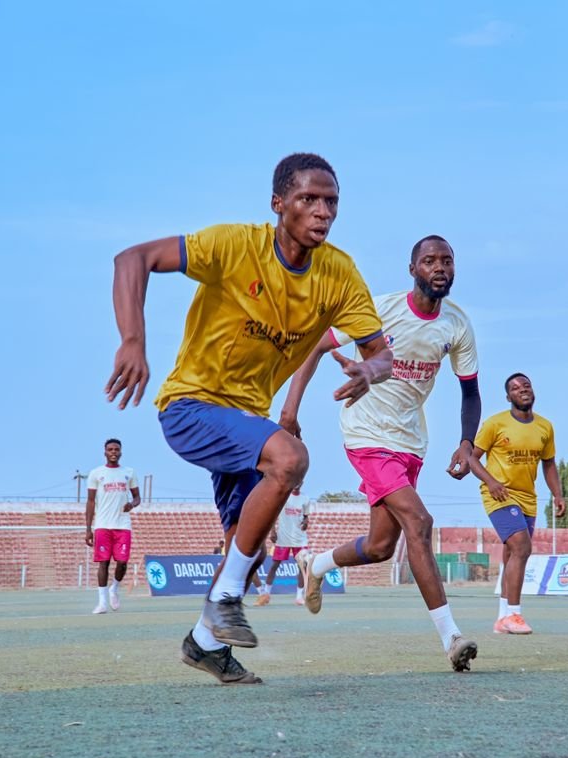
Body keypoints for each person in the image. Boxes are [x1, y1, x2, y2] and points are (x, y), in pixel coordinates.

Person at [105, 152, 393, 684]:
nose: (322, 212)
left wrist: (371, 371)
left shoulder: (339, 274)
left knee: (248, 538)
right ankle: (227, 598)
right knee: (290, 456)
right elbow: (132, 259)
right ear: (279, 204)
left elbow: (381, 350)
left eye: (331, 202)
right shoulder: (234, 245)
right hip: (190, 405)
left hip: (245, 418)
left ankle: (206, 643)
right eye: (308, 199)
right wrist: (132, 341)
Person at [282, 235, 481, 672]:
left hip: (410, 441)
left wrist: (467, 443)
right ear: (413, 269)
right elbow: (315, 345)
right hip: (366, 434)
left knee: (379, 547)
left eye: (447, 261)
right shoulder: (376, 310)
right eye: (429, 261)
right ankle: (452, 638)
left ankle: (314, 565)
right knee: (420, 522)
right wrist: (290, 411)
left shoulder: (457, 325)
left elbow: (470, 392)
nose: (439, 268)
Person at [467, 372, 565, 634]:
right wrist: (491, 482)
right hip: (498, 495)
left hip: (527, 498)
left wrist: (558, 494)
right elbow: (472, 458)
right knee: (522, 547)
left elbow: (549, 463)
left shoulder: (545, 427)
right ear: (508, 396)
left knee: (512, 554)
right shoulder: (495, 424)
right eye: (515, 387)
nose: (522, 389)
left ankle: (501, 619)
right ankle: (514, 614)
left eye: (526, 385)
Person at [85, 438, 141, 614]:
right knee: (103, 563)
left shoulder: (129, 472)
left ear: (121, 452)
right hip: (102, 525)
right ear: (105, 452)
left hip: (122, 525)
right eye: (110, 449)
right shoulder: (96, 473)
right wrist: (88, 529)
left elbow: (138, 497)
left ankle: (114, 589)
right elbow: (91, 501)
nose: (113, 452)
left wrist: (131, 505)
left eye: (116, 449)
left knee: (122, 562)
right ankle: (102, 603)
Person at [256, 484, 310, 607]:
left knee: (303, 566)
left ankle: (299, 596)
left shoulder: (305, 498)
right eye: (295, 481)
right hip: (283, 538)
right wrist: (273, 531)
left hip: (300, 539)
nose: (296, 484)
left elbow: (306, 517)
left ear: (302, 482)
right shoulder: (284, 497)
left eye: (299, 481)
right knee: (275, 565)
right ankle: (266, 594)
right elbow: (274, 514)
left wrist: (305, 523)